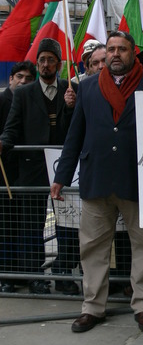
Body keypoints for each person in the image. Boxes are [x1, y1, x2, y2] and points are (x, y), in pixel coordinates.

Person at [51, 31, 143, 334]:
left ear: (134, 52)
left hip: (138, 180)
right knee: (92, 248)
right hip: (97, 179)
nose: (116, 54)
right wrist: (62, 175)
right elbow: (75, 134)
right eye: (111, 49)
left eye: (122, 49)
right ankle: (92, 308)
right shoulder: (88, 86)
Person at [0, 39, 77, 295]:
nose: (46, 64)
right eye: (42, 60)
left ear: (59, 63)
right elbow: (12, 128)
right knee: (31, 224)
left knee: (67, 225)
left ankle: (64, 274)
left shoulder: (71, 89)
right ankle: (33, 275)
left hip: (64, 167)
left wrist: (69, 107)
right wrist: (3, 143)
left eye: (50, 59)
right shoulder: (23, 93)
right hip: (32, 167)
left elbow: (77, 128)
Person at [0, 61, 36, 293]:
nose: (23, 81)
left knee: (29, 225)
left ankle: (29, 272)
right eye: (19, 76)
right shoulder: (2, 101)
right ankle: (7, 274)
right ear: (11, 78)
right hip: (4, 174)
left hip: (27, 172)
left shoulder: (30, 101)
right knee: (6, 227)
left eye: (27, 78)